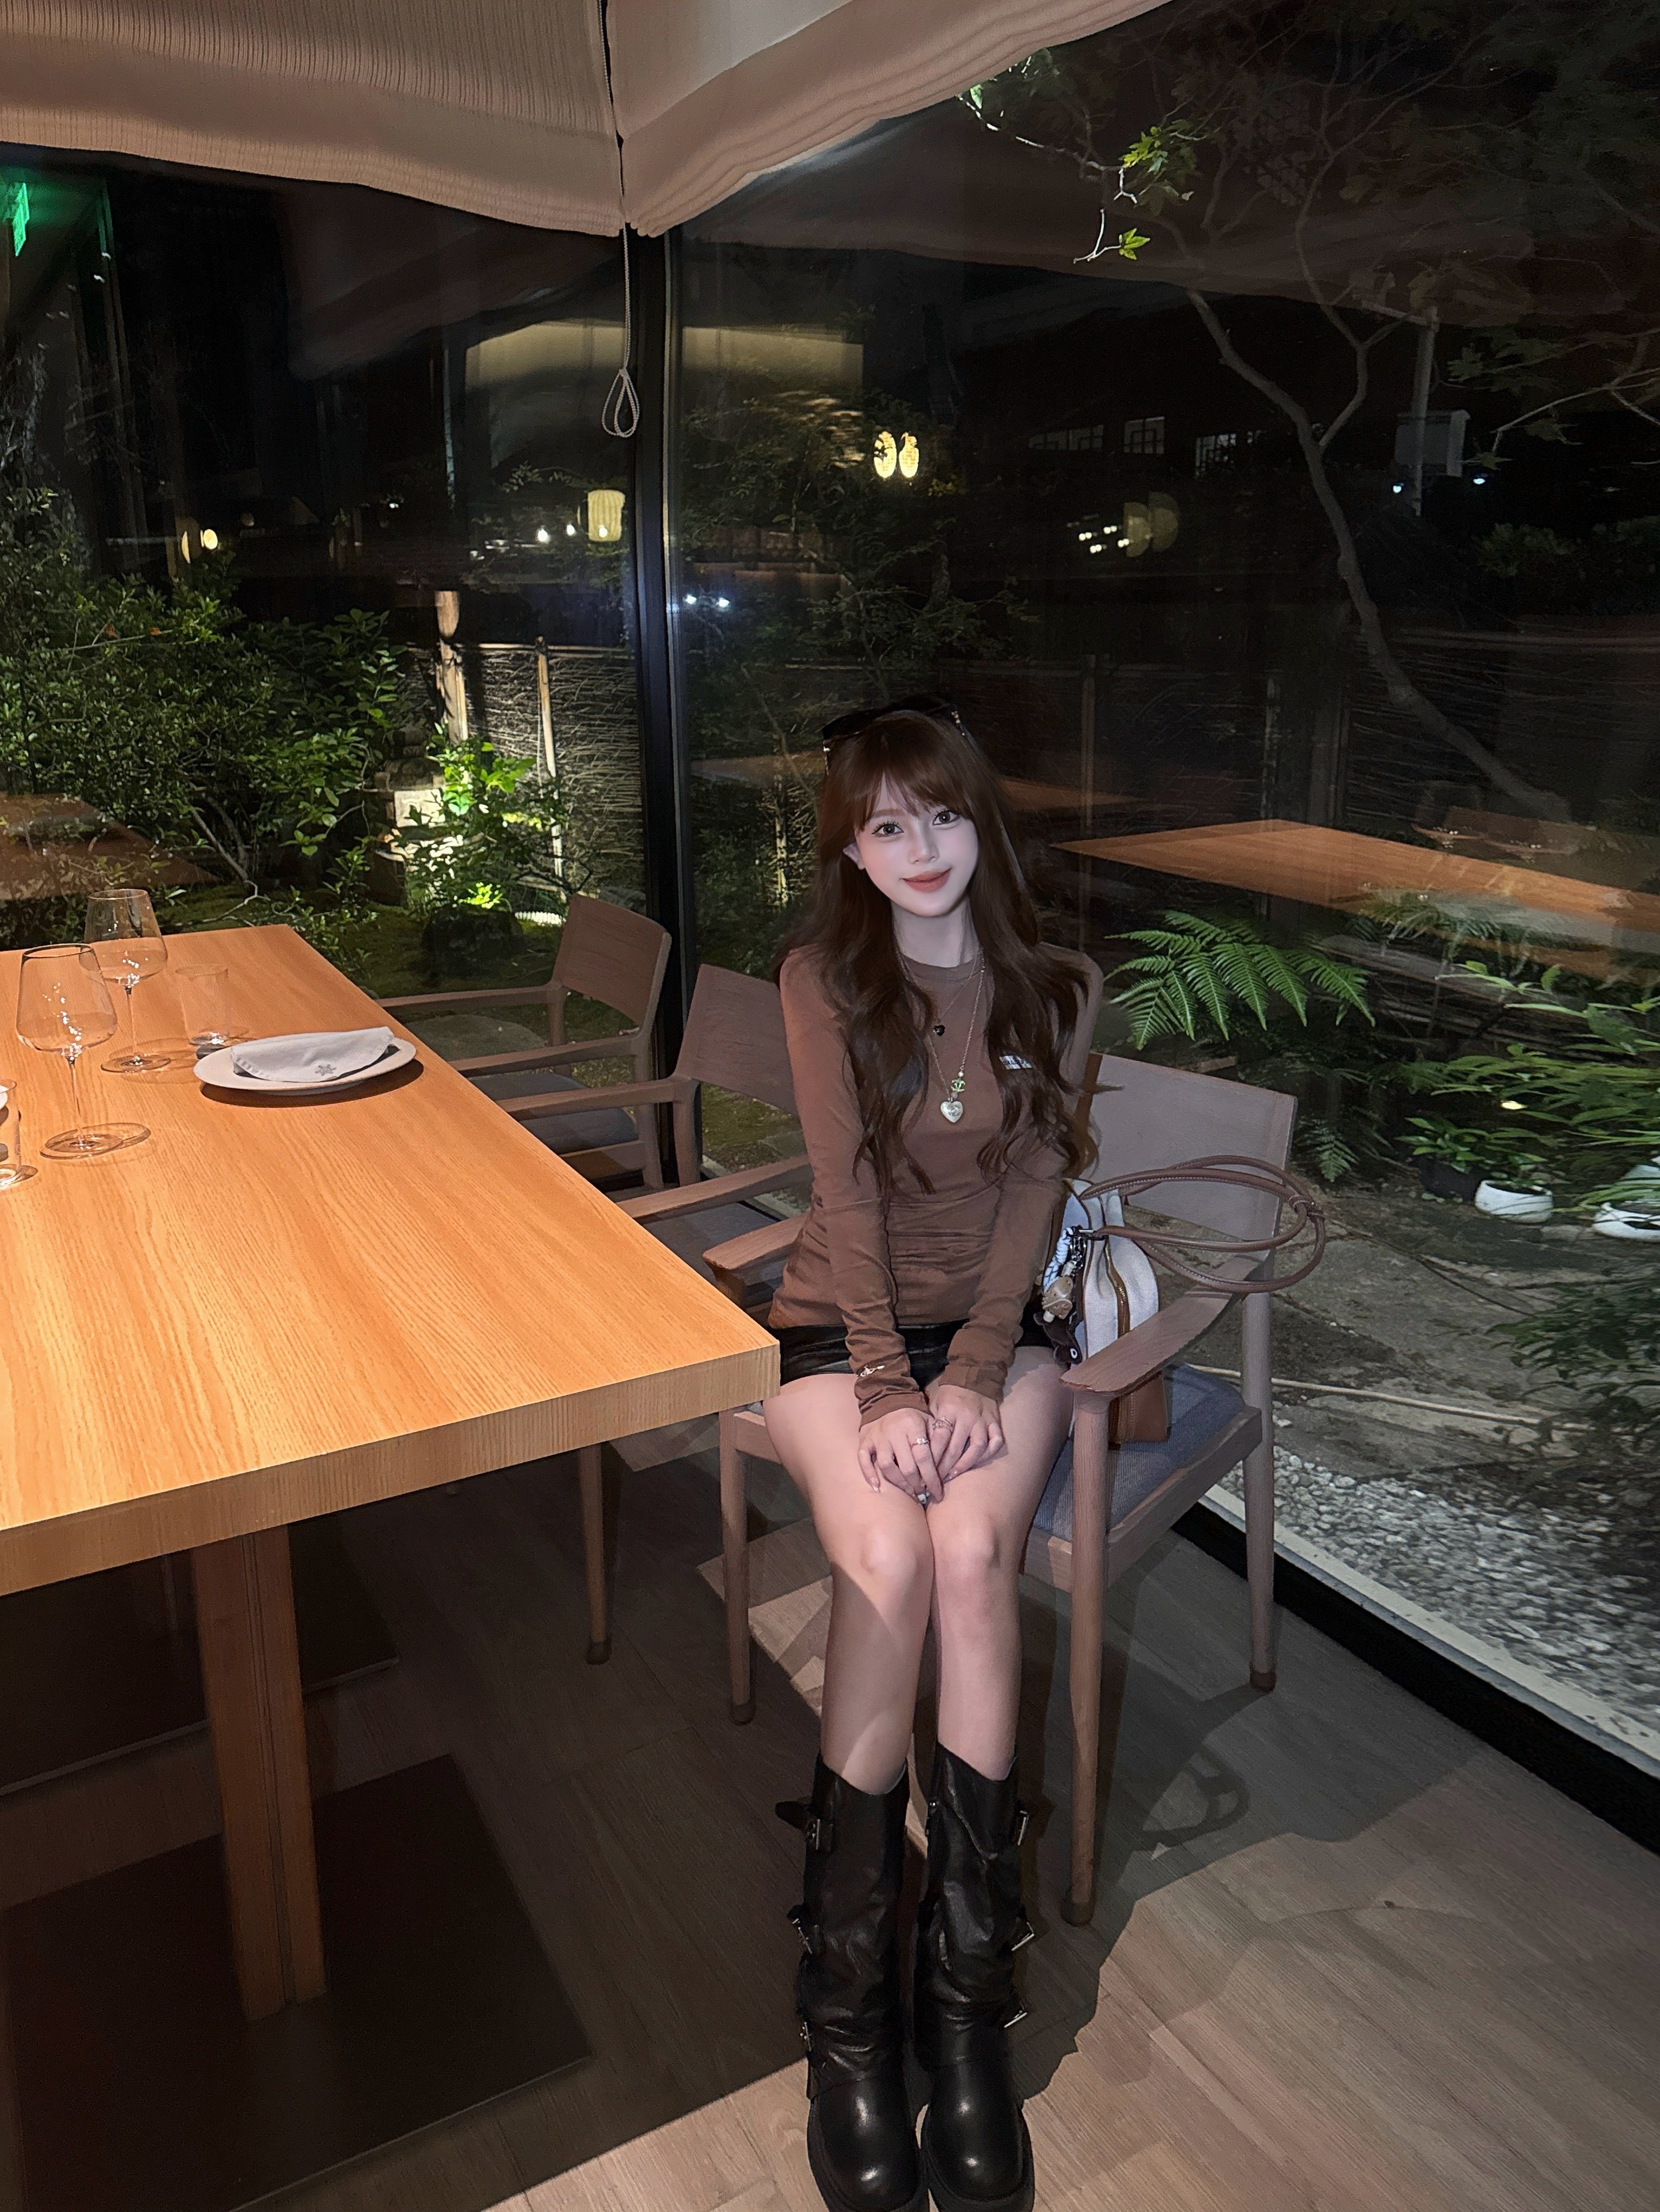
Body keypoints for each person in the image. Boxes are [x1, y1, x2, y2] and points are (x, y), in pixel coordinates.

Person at [765, 698, 1101, 2212]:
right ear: (851, 846)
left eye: (945, 815)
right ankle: (847, 2017)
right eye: (887, 824)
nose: (920, 848)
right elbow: (842, 1195)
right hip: (839, 1335)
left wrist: (972, 1369)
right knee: (890, 1558)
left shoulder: (1057, 988)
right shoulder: (826, 980)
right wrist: (890, 1389)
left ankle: (965, 2008)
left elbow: (1035, 1193)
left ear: (983, 824)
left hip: (995, 1338)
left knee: (968, 1555)